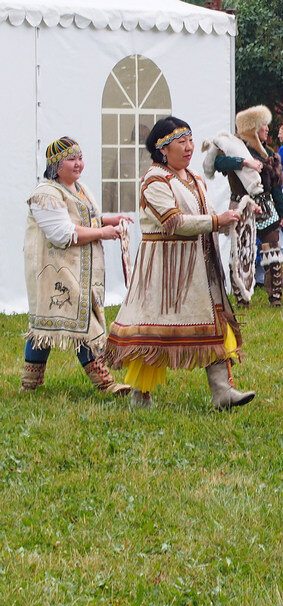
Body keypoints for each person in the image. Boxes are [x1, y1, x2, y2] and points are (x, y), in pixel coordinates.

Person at [105, 117, 252, 410]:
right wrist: (215, 221)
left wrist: (236, 213)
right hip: (164, 272)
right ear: (163, 150)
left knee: (215, 324)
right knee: (154, 333)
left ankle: (223, 392)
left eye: (190, 140)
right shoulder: (154, 180)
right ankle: (140, 395)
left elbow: (207, 218)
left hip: (200, 267)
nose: (188, 147)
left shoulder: (195, 179)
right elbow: (174, 222)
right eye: (180, 142)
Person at [20, 136, 132, 395]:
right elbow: (61, 234)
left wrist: (107, 219)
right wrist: (102, 232)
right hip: (54, 271)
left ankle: (30, 384)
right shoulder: (45, 194)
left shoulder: (78, 188)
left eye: (80, 158)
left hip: (77, 269)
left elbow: (86, 218)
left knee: (49, 325)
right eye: (71, 159)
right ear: (56, 165)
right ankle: (105, 383)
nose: (78, 163)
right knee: (77, 324)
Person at [209, 104, 283, 306]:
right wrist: (244, 162)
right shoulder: (230, 149)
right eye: (264, 125)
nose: (267, 129)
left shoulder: (269, 152)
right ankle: (241, 297)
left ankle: (276, 298)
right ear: (252, 129)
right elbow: (218, 164)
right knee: (241, 252)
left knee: (272, 251)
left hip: (266, 206)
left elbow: (277, 186)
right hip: (241, 206)